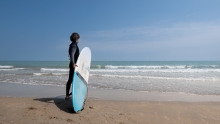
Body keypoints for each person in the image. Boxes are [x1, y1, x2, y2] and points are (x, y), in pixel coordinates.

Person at [65, 32, 80, 100]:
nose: (79, 40)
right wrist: (73, 63)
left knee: (72, 80)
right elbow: (72, 54)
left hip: (74, 65)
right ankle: (68, 95)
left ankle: (69, 94)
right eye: (78, 38)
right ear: (76, 38)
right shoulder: (74, 45)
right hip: (73, 65)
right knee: (71, 80)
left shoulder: (72, 45)